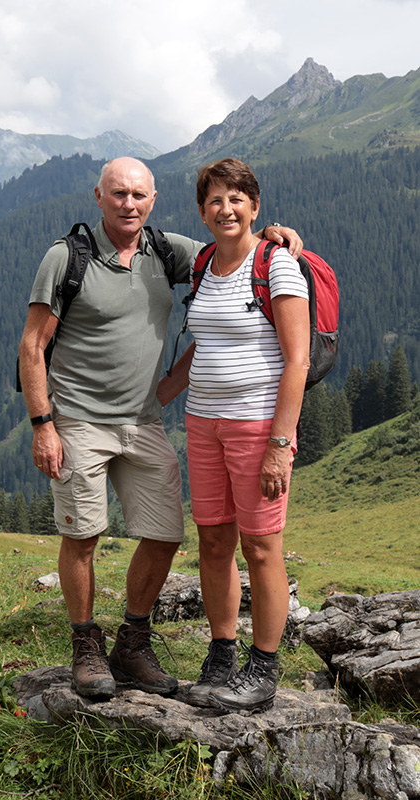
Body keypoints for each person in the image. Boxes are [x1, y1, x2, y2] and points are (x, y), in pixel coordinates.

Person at [18, 156, 302, 701]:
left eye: (139, 195)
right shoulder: (66, 258)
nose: (129, 204)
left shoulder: (169, 251)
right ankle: (85, 646)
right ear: (98, 195)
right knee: (83, 534)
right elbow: (33, 345)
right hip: (78, 419)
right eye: (118, 193)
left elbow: (233, 246)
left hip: (146, 422)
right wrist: (43, 425)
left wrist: (272, 233)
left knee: (168, 533)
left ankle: (132, 641)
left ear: (154, 201)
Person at [157, 158, 310, 714]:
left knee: (262, 547)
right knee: (214, 543)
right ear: (202, 211)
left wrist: (279, 444)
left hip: (256, 427)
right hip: (203, 423)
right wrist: (157, 398)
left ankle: (263, 668)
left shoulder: (277, 265)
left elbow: (297, 361)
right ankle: (222, 654)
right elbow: (209, 344)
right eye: (215, 200)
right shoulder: (202, 265)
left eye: (237, 199)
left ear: (255, 206)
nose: (226, 209)